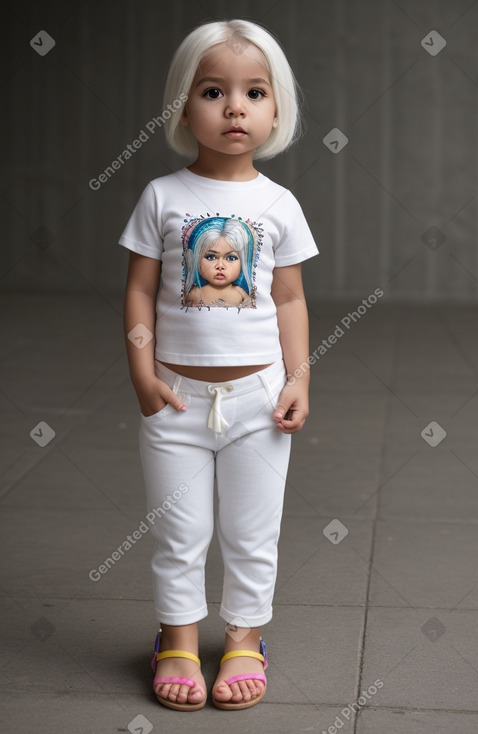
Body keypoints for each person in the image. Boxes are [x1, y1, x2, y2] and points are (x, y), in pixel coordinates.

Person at [119, 18, 319, 712]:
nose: (234, 107)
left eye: (254, 91)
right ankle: (176, 636)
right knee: (179, 530)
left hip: (258, 402)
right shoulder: (161, 197)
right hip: (174, 399)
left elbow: (289, 299)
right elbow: (141, 289)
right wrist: (143, 374)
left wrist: (298, 377)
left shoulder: (278, 205)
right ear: (183, 104)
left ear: (275, 109)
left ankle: (242, 637)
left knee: (251, 528)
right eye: (213, 90)